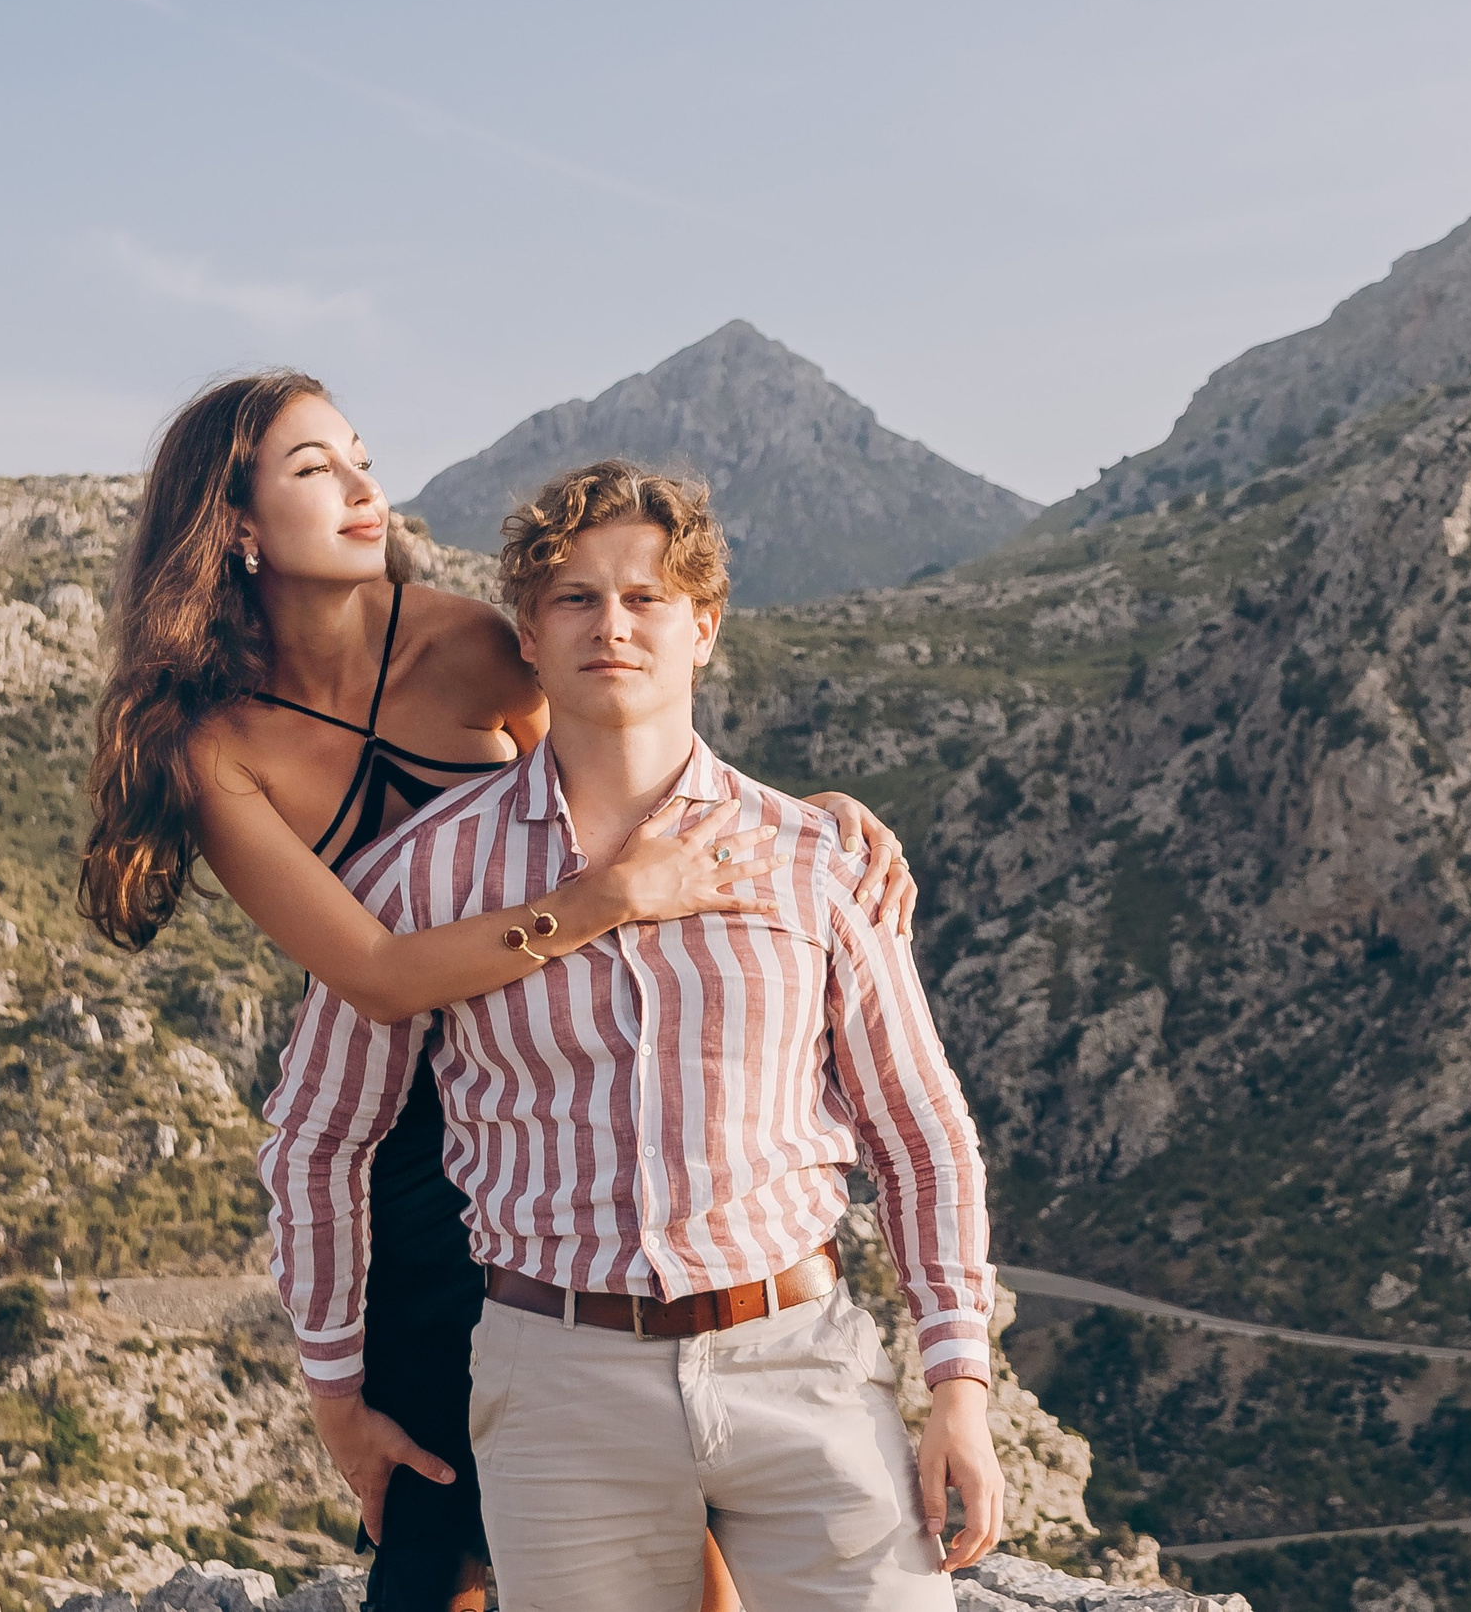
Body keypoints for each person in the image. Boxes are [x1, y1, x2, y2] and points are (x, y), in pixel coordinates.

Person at [79, 373, 918, 1612]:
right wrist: (597, 908)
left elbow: (623, 758)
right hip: (399, 1139)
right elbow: (370, 975)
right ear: (237, 524)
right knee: (440, 1542)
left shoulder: (475, 641)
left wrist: (800, 821)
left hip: (546, 1085)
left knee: (674, 1499)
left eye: (362, 458)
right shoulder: (220, 747)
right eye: (317, 470)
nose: (366, 489)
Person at [259, 460, 1004, 1612]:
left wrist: (959, 1383)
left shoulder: (813, 859)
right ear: (530, 632)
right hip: (554, 1383)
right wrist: (332, 1388)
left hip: (800, 1362)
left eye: (646, 597)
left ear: (701, 627)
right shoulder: (429, 874)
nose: (613, 624)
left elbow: (923, 1134)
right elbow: (316, 1135)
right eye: (576, 598)